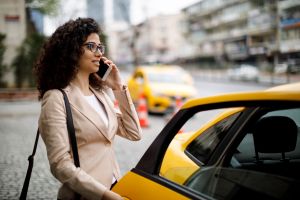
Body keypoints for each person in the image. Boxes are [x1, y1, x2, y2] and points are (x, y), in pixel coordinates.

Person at [34, 18, 142, 200]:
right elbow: (60, 164)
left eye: (100, 47)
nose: (98, 53)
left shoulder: (100, 95)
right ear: (72, 51)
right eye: (91, 46)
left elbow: (134, 133)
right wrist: (105, 196)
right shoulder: (56, 98)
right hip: (86, 195)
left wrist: (117, 87)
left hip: (114, 187)